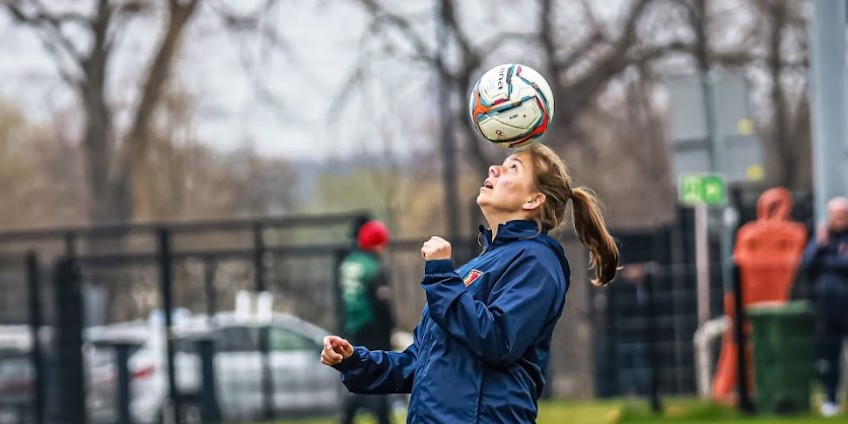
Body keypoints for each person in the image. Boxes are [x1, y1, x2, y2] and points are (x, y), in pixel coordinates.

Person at [321, 143, 619, 423]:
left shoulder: (537, 260)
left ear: (533, 200)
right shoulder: (477, 266)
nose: (494, 169)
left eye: (513, 168)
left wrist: (440, 275)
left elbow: (498, 340)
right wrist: (354, 361)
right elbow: (421, 363)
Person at [337, 220, 395, 424]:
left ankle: (346, 415)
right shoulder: (373, 267)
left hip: (352, 328)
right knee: (378, 373)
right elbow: (382, 305)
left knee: (356, 372)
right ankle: (382, 418)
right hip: (373, 329)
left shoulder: (348, 263)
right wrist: (390, 329)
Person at [801, 196, 848, 417]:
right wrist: (821, 245)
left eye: (843, 214)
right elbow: (806, 264)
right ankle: (830, 399)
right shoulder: (822, 239)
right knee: (829, 356)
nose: (839, 219)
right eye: (836, 215)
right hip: (829, 309)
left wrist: (829, 262)